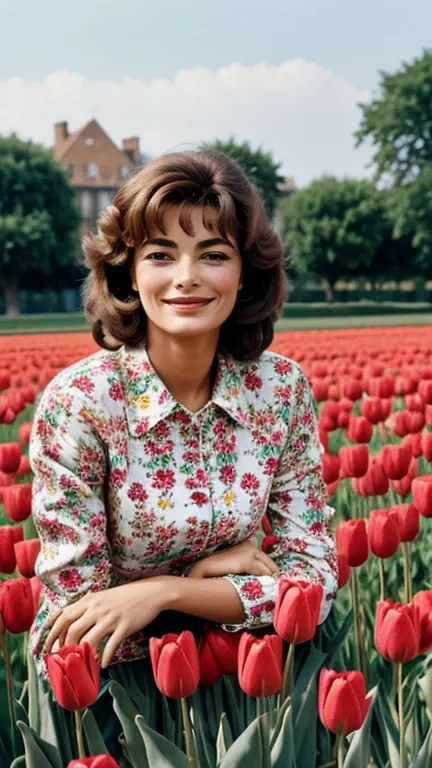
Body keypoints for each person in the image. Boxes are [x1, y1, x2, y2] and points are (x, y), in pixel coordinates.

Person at [29, 149, 337, 757]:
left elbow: (316, 580)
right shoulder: (83, 403)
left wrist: (166, 592)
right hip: (109, 695)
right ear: (129, 274)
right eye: (161, 255)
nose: (186, 277)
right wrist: (216, 576)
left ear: (245, 273)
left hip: (243, 681)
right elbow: (84, 617)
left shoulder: (280, 390)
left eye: (213, 255)